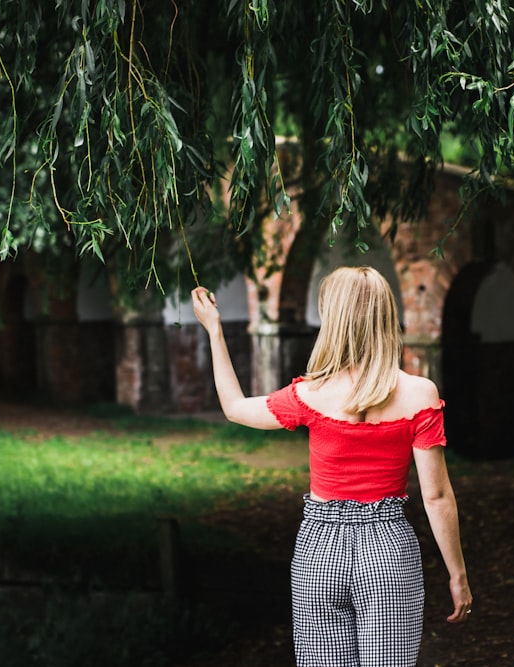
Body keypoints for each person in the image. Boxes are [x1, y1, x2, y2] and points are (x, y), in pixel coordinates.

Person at [191, 265, 472, 667]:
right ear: (385, 317)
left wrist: (215, 330)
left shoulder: (309, 393)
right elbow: (437, 495)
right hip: (389, 552)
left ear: (334, 320)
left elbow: (235, 408)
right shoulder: (420, 393)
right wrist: (457, 575)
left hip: (319, 551)